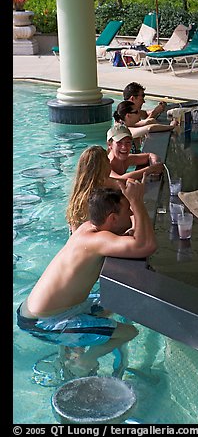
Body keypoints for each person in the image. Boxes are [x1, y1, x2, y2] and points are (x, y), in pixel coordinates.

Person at [17, 180, 157, 377]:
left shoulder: (87, 229)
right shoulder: (97, 241)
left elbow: (134, 237)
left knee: (114, 304)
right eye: (128, 212)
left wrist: (132, 205)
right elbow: (147, 246)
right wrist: (137, 201)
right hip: (44, 322)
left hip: (37, 310)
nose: (132, 215)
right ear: (113, 218)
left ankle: (69, 348)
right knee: (129, 332)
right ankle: (84, 360)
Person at [66, 145, 124, 233]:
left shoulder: (78, 195)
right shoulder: (93, 198)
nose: (110, 164)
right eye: (107, 161)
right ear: (102, 166)